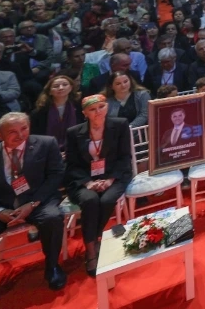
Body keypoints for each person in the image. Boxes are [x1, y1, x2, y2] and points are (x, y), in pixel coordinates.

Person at [0, 112, 67, 293]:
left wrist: (32, 203)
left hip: (38, 201)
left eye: (24, 128)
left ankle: (52, 266)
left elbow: (56, 175)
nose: (21, 135)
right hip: (2, 206)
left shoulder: (46, 144)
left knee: (53, 218)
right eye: (12, 132)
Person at [65, 94, 132, 276]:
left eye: (101, 107)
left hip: (114, 176)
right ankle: (92, 251)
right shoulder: (74, 132)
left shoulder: (120, 124)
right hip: (84, 179)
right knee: (90, 200)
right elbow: (71, 164)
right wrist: (88, 182)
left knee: (107, 199)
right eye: (92, 109)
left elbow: (125, 157)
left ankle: (92, 241)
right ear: (84, 113)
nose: (98, 112)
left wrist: (110, 179)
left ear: (107, 107)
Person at [29, 75, 80, 152]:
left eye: (65, 85)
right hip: (46, 150)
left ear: (71, 88)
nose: (61, 88)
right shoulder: (39, 112)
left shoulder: (79, 107)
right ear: (49, 91)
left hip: (74, 149)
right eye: (56, 86)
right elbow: (35, 136)